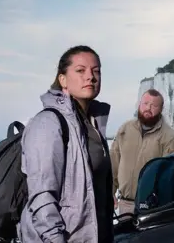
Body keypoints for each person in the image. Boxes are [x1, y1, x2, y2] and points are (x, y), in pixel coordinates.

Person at [18, 45, 114, 243]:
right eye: (80, 70)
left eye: (96, 71)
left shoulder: (93, 124)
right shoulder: (48, 123)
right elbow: (42, 196)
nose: (90, 77)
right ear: (62, 80)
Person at [110, 89, 174, 215]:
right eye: (145, 103)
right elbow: (113, 163)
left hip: (153, 206)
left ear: (161, 109)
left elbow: (173, 175)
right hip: (125, 204)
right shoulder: (125, 129)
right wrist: (109, 192)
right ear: (139, 104)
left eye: (154, 105)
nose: (148, 108)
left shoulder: (171, 137)